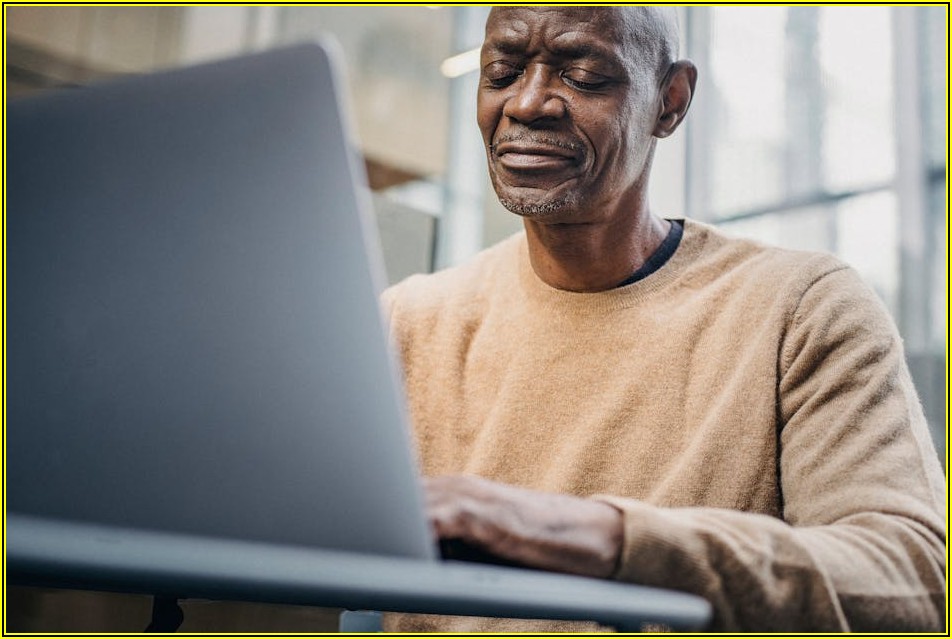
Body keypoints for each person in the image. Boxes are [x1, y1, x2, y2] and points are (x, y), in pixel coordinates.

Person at [381, 6, 946, 632]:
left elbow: (912, 582)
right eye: (502, 72)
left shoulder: (802, 307)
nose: (528, 103)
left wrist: (603, 536)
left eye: (584, 76)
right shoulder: (407, 320)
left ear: (670, 102)